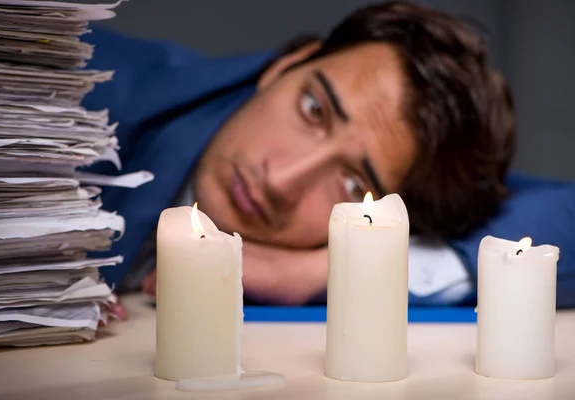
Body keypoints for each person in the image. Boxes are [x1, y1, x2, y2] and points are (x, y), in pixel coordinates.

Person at [82, 1, 575, 318]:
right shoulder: (73, 81)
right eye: (313, 109)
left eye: (350, 183)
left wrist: (342, 265)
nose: (282, 178)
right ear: (288, 64)